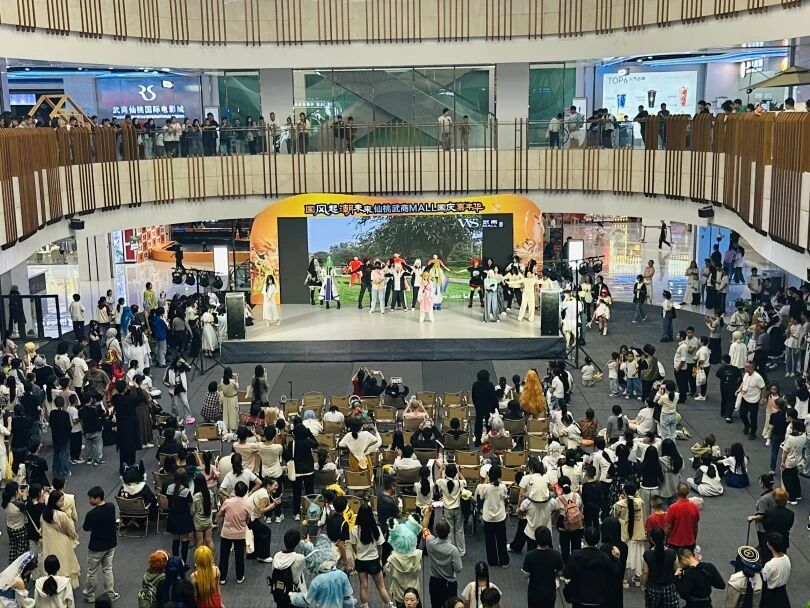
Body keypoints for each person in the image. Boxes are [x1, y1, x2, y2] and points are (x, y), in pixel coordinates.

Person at [563, 526, 622, 608]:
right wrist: (616, 558)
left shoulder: (574, 556)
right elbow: (616, 571)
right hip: (599, 600)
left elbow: (567, 574)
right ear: (598, 540)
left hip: (579, 599)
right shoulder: (603, 557)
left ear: (584, 539)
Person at [350, 504, 393, 608]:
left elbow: (354, 546)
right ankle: (390, 605)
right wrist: (380, 559)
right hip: (374, 560)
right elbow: (380, 546)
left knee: (363, 586)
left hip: (361, 561)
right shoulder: (376, 529)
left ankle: (365, 606)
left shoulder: (355, 529)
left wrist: (359, 555)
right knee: (381, 587)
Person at [81, 486, 118, 603]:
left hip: (96, 547)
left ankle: (89, 595)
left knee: (92, 571)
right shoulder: (111, 507)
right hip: (111, 544)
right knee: (107, 569)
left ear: (97, 498)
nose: (89, 500)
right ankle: (110, 593)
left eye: (91, 498)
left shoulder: (91, 514)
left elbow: (86, 528)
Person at [422, 509, 462, 608]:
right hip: (449, 584)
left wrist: (427, 513)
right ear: (449, 532)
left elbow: (424, 527)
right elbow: (458, 569)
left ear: (436, 531)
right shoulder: (453, 550)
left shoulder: (430, 542)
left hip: (434, 583)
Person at [41, 491, 80, 588]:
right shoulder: (61, 515)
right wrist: (74, 536)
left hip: (49, 543)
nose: (63, 502)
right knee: (66, 565)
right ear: (54, 502)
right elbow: (69, 530)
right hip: (62, 543)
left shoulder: (44, 514)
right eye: (60, 501)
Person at [217, 480, 252, 584]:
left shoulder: (228, 502)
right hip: (240, 534)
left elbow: (219, 514)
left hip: (226, 533)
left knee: (224, 556)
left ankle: (222, 578)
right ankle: (239, 577)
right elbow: (248, 520)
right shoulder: (247, 504)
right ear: (245, 492)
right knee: (239, 556)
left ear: (235, 490)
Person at [475, 464, 509, 567]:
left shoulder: (485, 487)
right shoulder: (503, 487)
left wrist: (486, 481)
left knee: (490, 541)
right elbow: (505, 497)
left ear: (489, 475)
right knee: (502, 540)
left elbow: (481, 497)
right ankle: (504, 562)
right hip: (500, 517)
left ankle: (492, 561)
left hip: (488, 518)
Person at [520, 526, 562, 608]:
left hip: (534, 591)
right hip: (550, 590)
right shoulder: (556, 554)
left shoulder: (530, 555)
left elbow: (526, 575)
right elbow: (560, 572)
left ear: (536, 538)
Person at [642, 527, 679, 608]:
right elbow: (677, 570)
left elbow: (645, 572)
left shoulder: (648, 554)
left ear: (651, 539)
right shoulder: (672, 553)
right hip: (669, 587)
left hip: (654, 587)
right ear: (665, 538)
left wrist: (643, 585)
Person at [270, 529, 307, 608]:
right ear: (297, 543)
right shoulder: (299, 559)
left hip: (280, 594)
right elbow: (309, 559)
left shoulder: (277, 556)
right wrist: (306, 543)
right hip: (295, 595)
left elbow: (273, 569)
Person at [166, 468, 194, 563]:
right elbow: (190, 505)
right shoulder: (186, 491)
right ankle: (183, 562)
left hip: (173, 516)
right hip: (184, 517)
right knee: (185, 540)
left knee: (175, 539)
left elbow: (169, 502)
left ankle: (175, 561)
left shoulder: (169, 488)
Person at [665, 484, 699, 552]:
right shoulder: (695, 507)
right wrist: (694, 540)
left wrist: (666, 539)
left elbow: (669, 527)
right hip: (689, 542)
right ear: (688, 492)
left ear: (677, 492)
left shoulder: (672, 508)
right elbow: (695, 527)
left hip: (675, 542)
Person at [760, 532, 791, 607]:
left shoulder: (770, 565)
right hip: (782, 593)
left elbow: (764, 578)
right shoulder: (787, 558)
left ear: (770, 546)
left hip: (771, 595)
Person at [737, 362, 766, 440]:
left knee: (753, 418)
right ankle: (747, 425)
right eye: (745, 367)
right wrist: (739, 389)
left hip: (754, 401)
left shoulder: (758, 378)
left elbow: (763, 388)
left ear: (752, 368)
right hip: (745, 398)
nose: (745, 368)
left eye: (747, 367)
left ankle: (753, 432)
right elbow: (743, 382)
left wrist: (762, 399)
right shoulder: (746, 374)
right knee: (742, 415)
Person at [779, 419, 805, 504]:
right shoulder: (803, 436)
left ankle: (792, 498)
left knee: (787, 480)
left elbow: (785, 451)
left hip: (789, 461)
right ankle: (798, 494)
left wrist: (783, 462)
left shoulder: (790, 438)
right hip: (798, 460)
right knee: (795, 478)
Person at [472, 369, 498, 447]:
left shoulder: (475, 385)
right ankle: (489, 439)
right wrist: (496, 408)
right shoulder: (490, 385)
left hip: (479, 407)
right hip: (489, 408)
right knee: (489, 423)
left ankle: (477, 440)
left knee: (478, 423)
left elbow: (473, 397)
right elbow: (494, 398)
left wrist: (476, 405)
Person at [219, 367, 240, 432]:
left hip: (226, 398)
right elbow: (237, 387)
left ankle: (226, 426)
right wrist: (237, 378)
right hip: (233, 399)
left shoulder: (222, 380)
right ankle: (233, 427)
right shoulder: (232, 381)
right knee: (233, 413)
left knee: (226, 413)